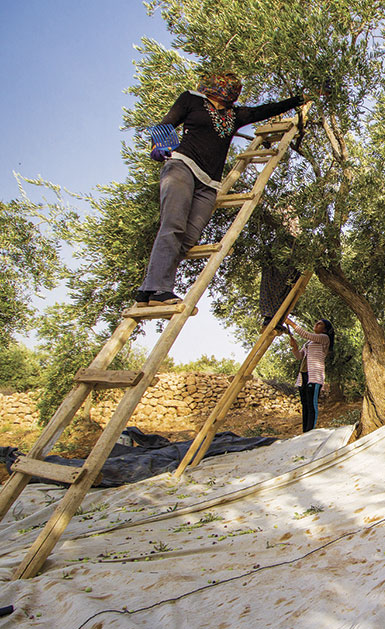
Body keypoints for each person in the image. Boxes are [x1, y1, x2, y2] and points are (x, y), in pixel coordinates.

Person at [134, 72, 307, 306]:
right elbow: (165, 125)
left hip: (210, 183)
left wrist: (299, 99)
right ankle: (159, 289)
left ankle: (148, 289)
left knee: (189, 237)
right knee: (173, 225)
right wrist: (158, 147)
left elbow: (263, 110)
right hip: (182, 166)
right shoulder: (191, 99)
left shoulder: (233, 115)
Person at [285, 316, 332, 432]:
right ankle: (305, 431)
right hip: (303, 375)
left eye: (320, 324)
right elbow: (299, 356)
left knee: (312, 405)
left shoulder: (324, 338)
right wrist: (295, 347)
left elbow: (306, 334)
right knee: (305, 405)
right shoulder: (308, 343)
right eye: (317, 322)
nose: (316, 324)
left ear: (325, 329)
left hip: (314, 377)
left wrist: (291, 323)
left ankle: (311, 431)